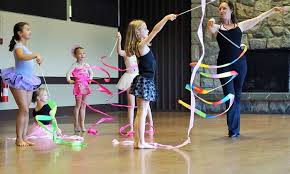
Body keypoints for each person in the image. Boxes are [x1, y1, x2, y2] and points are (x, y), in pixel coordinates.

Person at [207, 0, 288, 138]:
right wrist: (209, 24)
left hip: (240, 64)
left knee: (237, 97)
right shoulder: (216, 27)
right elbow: (208, 32)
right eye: (220, 8)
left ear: (231, 10)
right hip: (224, 65)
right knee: (230, 96)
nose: (221, 11)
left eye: (224, 8)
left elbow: (258, 18)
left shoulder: (240, 26)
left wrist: (273, 10)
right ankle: (233, 130)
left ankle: (235, 130)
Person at [124, 14, 176, 148]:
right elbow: (156, 30)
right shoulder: (141, 45)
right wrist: (165, 18)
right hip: (145, 81)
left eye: (147, 28)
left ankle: (138, 141)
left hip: (144, 80)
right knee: (142, 112)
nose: (147, 30)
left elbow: (152, 31)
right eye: (145, 28)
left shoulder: (139, 46)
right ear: (137, 32)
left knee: (141, 112)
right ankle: (140, 142)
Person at [1, 22, 42, 146]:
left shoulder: (26, 48)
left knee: (26, 110)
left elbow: (27, 57)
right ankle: (19, 138)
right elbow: (21, 56)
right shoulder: (18, 46)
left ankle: (24, 137)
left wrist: (37, 58)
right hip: (18, 79)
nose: (30, 31)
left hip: (28, 80)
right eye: (27, 29)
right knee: (23, 109)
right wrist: (35, 55)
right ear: (20, 33)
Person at [116, 32, 154, 136]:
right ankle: (131, 127)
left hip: (138, 78)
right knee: (131, 105)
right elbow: (119, 52)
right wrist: (119, 39)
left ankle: (151, 124)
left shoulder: (139, 52)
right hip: (128, 78)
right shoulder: (127, 53)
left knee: (146, 105)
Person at [66, 46, 93, 132]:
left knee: (83, 106)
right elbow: (68, 73)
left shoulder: (87, 65)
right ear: (75, 55)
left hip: (85, 86)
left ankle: (82, 124)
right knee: (78, 106)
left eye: (83, 53)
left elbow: (91, 72)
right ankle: (76, 125)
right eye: (80, 53)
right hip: (78, 86)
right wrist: (69, 80)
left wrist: (90, 79)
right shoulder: (75, 65)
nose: (82, 55)